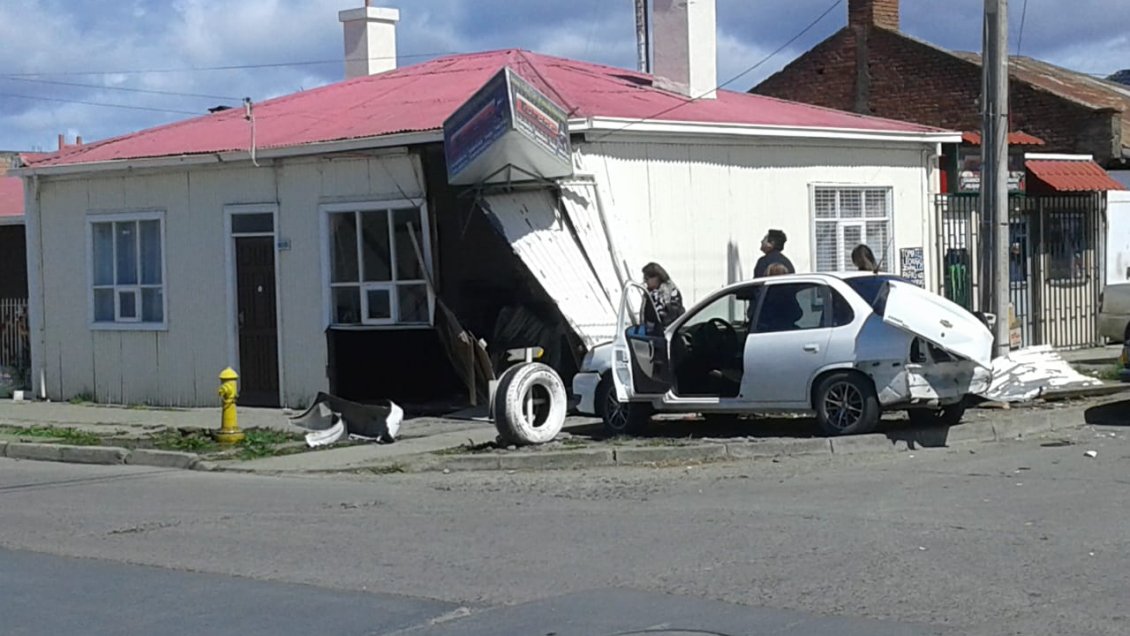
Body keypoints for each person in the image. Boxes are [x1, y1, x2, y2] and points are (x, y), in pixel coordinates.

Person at [642, 262, 684, 328]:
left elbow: (674, 315)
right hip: (653, 332)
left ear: (657, 277)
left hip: (669, 331)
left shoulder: (672, 292)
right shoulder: (649, 293)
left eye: (647, 279)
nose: (645, 281)